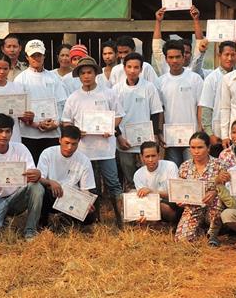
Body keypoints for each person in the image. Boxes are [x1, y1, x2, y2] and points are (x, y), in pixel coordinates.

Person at [61, 56, 125, 225]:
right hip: (84, 150)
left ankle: (121, 220)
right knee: (91, 186)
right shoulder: (74, 97)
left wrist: (110, 127)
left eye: (89, 72)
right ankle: (95, 221)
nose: (86, 76)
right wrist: (76, 133)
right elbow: (66, 121)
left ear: (96, 73)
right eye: (83, 73)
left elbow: (119, 116)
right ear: (78, 76)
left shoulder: (108, 93)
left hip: (106, 149)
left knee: (113, 183)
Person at [0, 114, 44, 239]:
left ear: (12, 133)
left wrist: (37, 174)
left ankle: (30, 230)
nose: (4, 135)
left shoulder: (21, 149)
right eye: (0, 131)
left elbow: (32, 173)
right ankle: (2, 218)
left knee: (37, 187)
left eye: (8, 131)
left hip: (17, 196)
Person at [112, 52, 164, 190]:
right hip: (125, 140)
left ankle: (149, 198)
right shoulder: (116, 89)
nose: (132, 70)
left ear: (141, 69)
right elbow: (112, 115)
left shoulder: (149, 87)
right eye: (129, 67)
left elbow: (155, 112)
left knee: (147, 173)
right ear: (124, 68)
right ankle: (132, 198)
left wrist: (155, 134)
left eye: (136, 67)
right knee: (128, 174)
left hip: (146, 139)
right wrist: (119, 137)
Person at [13, 40, 67, 163]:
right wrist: (35, 124)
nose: (36, 58)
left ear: (44, 56)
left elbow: (62, 104)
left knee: (51, 168)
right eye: (33, 55)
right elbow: (18, 109)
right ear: (27, 57)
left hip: (52, 134)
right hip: (29, 134)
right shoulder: (20, 79)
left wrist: (56, 123)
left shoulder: (54, 78)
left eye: (39, 55)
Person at [37, 125, 98, 226]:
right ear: (60, 140)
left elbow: (85, 189)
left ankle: (66, 220)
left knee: (90, 217)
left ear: (78, 142)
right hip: (51, 193)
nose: (69, 147)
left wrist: (86, 202)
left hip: (72, 197)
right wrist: (50, 182)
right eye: (67, 143)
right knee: (39, 190)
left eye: (74, 144)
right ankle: (43, 222)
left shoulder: (84, 160)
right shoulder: (48, 153)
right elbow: (39, 178)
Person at [157, 39, 205, 167]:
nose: (174, 60)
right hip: (170, 137)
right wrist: (160, 131)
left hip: (192, 136)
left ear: (184, 57)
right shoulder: (160, 82)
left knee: (193, 170)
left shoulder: (195, 79)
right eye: (171, 57)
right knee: (174, 170)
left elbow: (200, 106)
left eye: (178, 57)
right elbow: (160, 109)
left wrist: (200, 130)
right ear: (166, 59)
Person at [174, 132, 224, 243]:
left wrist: (215, 192)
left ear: (208, 148)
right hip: (193, 207)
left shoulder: (219, 165)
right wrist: (180, 200)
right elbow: (180, 190)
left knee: (218, 200)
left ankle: (213, 234)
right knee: (181, 240)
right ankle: (201, 231)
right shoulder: (184, 167)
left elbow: (228, 188)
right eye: (193, 148)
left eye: (200, 147)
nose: (196, 151)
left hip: (214, 207)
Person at [198, 40, 236, 153]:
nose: (229, 58)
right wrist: (210, 134)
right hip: (218, 135)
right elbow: (206, 108)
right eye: (226, 54)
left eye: (233, 55)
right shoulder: (212, 78)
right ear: (219, 56)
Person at [133, 142, 181, 224]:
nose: (150, 160)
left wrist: (153, 192)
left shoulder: (170, 166)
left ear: (159, 155)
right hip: (151, 204)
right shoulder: (138, 174)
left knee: (162, 207)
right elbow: (143, 199)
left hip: (171, 202)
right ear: (141, 157)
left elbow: (176, 195)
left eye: (153, 156)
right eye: (147, 156)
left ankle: (172, 222)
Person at [150, 6, 205, 77]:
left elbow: (200, 45)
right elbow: (157, 49)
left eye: (187, 52)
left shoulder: (194, 71)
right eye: (173, 56)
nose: (184, 55)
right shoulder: (166, 70)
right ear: (166, 59)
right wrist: (158, 21)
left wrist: (196, 20)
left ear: (191, 55)